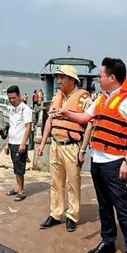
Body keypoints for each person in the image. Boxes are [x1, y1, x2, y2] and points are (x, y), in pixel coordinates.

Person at [53, 57, 127, 253]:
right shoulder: (103, 99)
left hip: (116, 162)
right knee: (104, 205)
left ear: (112, 78)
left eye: (101, 76)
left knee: (121, 208)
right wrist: (65, 113)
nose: (98, 79)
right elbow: (85, 117)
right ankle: (108, 240)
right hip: (98, 159)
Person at [36, 65, 93, 232]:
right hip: (55, 144)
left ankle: (72, 215)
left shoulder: (83, 99)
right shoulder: (57, 97)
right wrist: (42, 143)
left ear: (72, 80)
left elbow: (89, 124)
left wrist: (82, 150)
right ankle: (56, 213)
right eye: (57, 77)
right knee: (56, 182)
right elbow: (49, 121)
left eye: (62, 77)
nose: (58, 81)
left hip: (71, 145)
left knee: (73, 182)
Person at [5, 85, 33, 201]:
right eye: (10, 98)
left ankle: (21, 190)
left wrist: (23, 143)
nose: (12, 100)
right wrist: (7, 143)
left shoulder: (25, 109)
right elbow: (11, 127)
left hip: (19, 142)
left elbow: (28, 127)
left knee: (20, 167)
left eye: (14, 98)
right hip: (12, 141)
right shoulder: (11, 109)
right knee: (15, 167)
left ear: (19, 96)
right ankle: (17, 187)